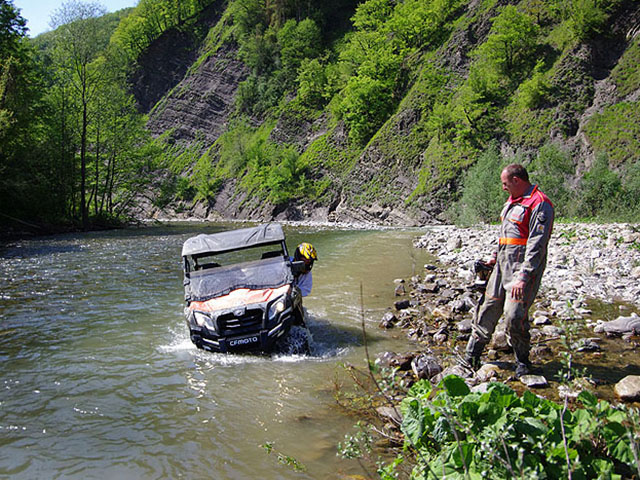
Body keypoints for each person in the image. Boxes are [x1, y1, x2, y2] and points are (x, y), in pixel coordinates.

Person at [463, 163, 554, 378]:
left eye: (505, 183)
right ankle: (471, 357)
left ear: (516, 180)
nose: (503, 187)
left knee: (514, 315)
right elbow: (506, 236)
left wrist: (523, 277)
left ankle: (522, 361)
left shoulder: (540, 203)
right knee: (487, 309)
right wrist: (492, 259)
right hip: (501, 267)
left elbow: (537, 244)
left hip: (521, 269)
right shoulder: (511, 201)